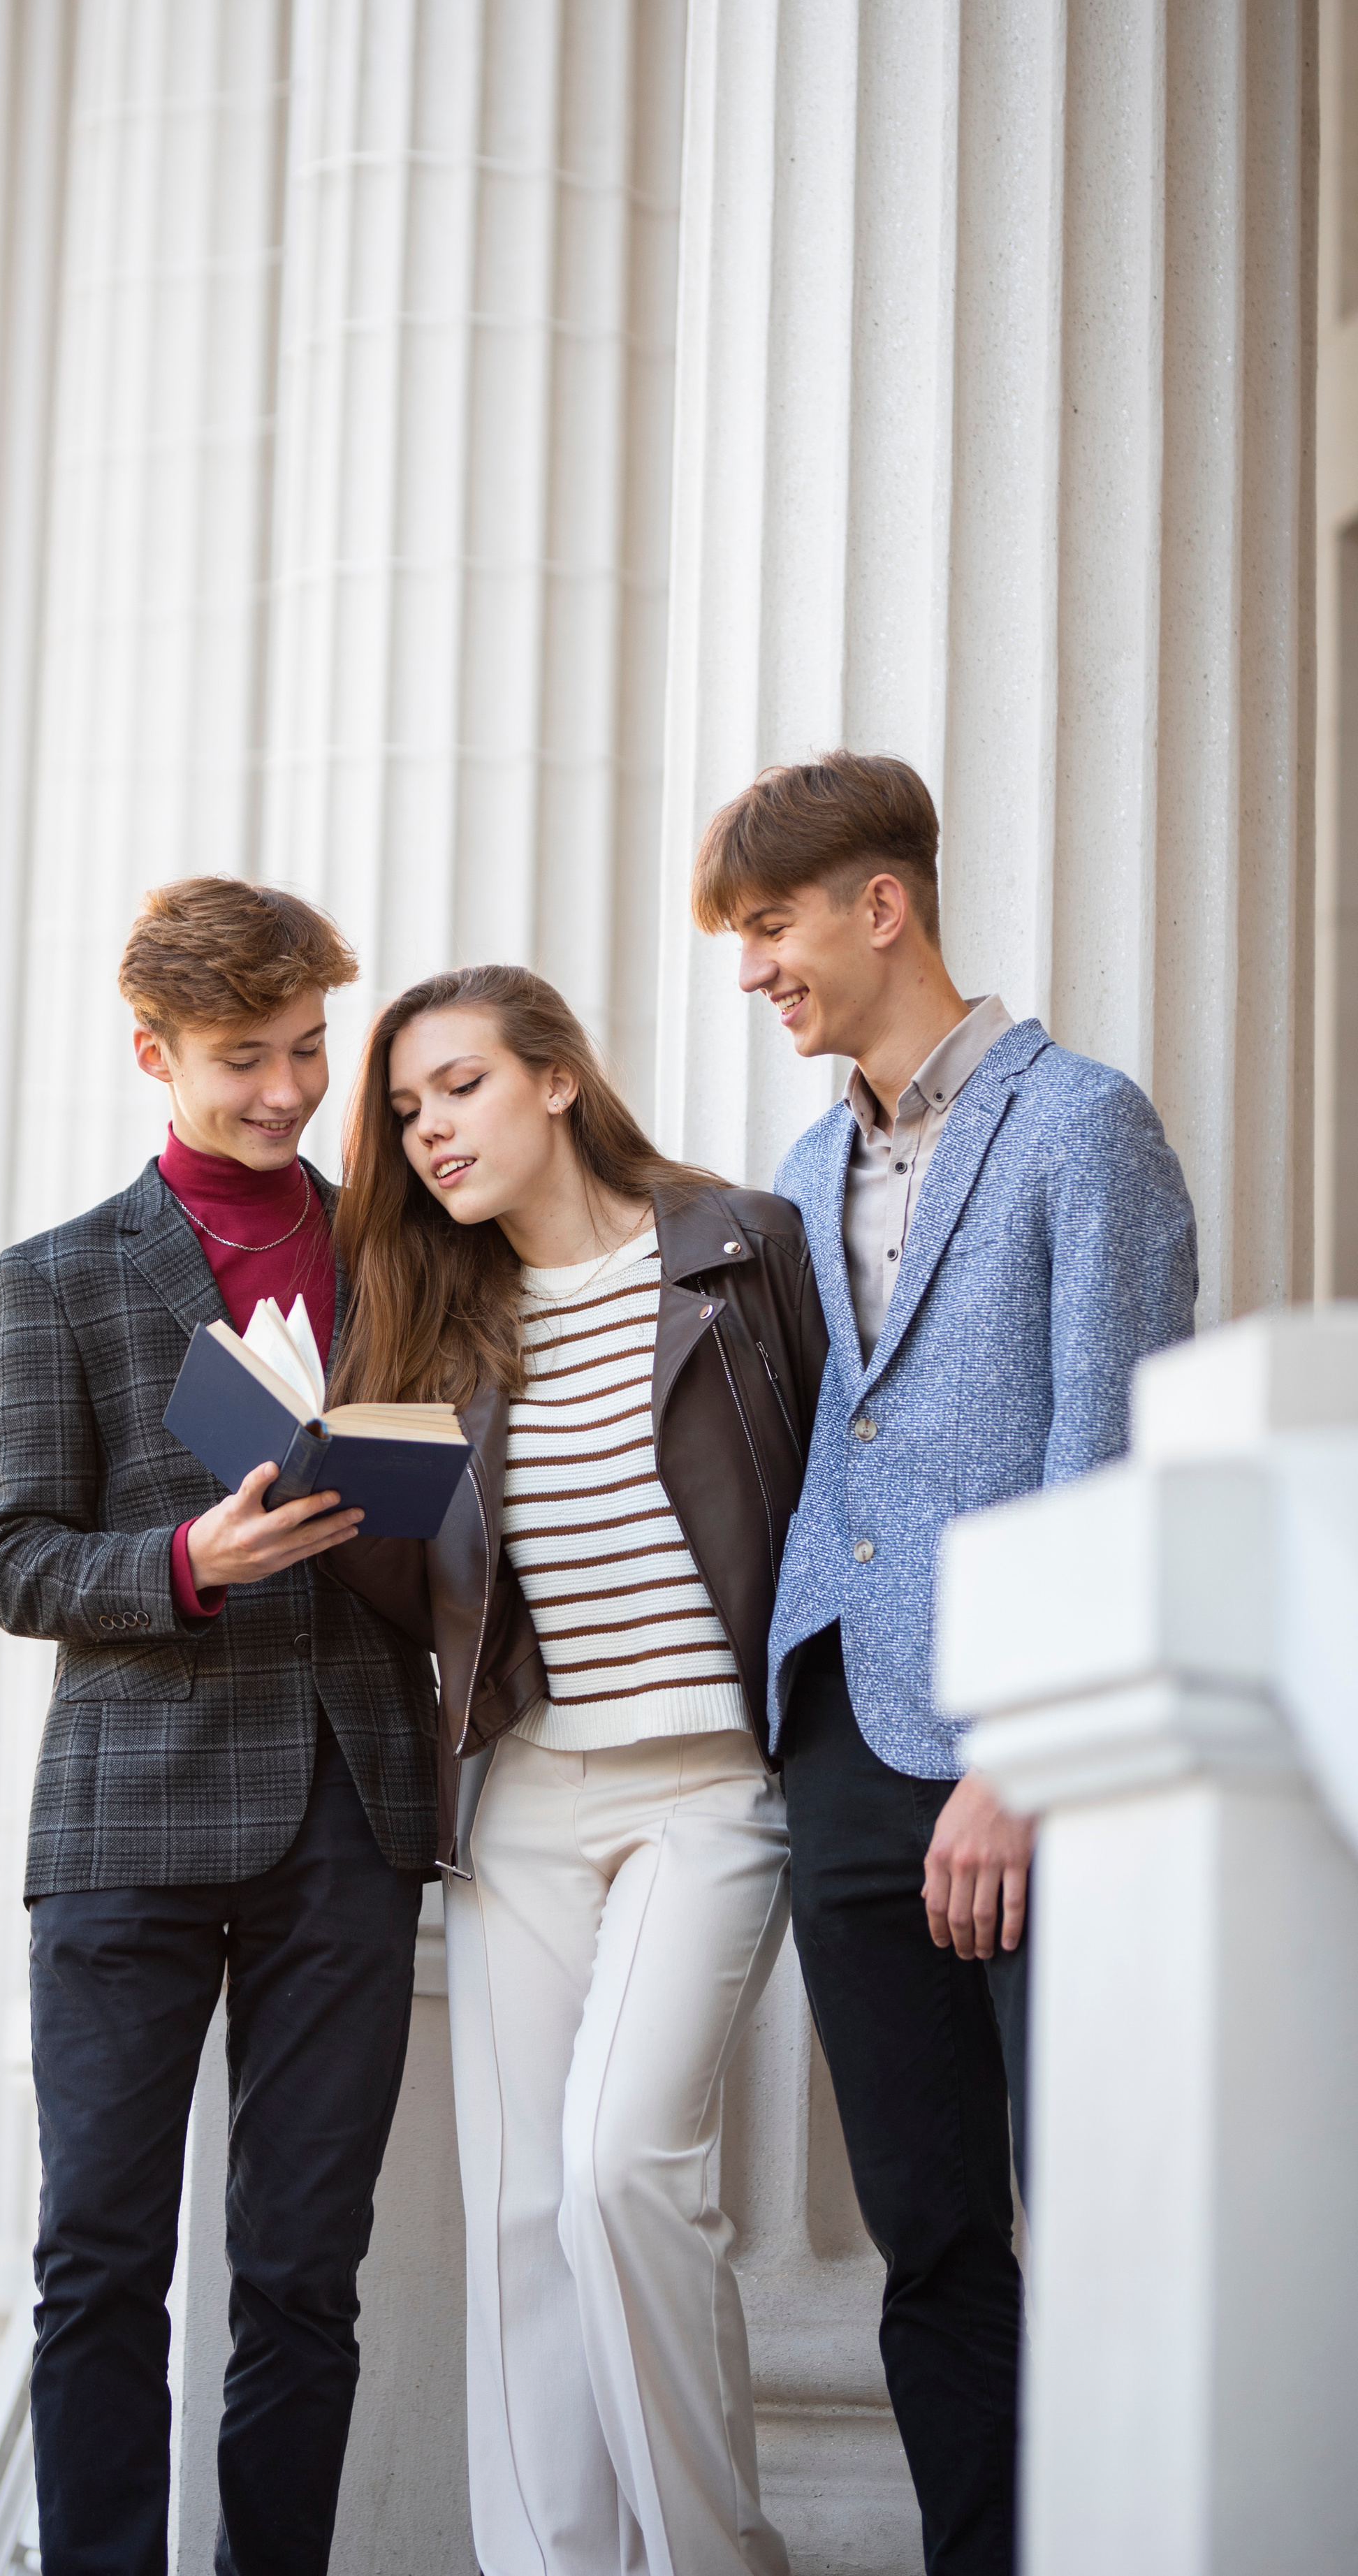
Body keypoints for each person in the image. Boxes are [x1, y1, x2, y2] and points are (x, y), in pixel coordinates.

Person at [691, 752, 1198, 2576]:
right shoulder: (804, 1164)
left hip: (1018, 1757)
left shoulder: (1085, 1127)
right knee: (925, 2231)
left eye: (770, 927)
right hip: (836, 1734)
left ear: (878, 903)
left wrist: (1025, 1756)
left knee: (1097, 2204)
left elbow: (1113, 1456)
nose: (752, 969)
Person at [324, 964, 827, 2576]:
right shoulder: (443, 1331)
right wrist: (326, 1500)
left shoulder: (740, 1249)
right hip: (527, 1795)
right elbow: (434, 1604)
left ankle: (712, 2557)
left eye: (457, 1087)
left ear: (554, 1077)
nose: (428, 1133)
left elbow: (829, 1482)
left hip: (711, 1783)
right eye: (405, 1112)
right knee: (524, 2223)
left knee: (620, 2170)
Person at [0, 877, 438, 2576]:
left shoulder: (401, 1243)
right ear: (154, 1054)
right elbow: (12, 1556)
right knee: (99, 2256)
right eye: (247, 1057)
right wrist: (185, 1558)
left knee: (304, 2271)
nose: (290, 1091)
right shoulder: (59, 1279)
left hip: (351, 1808)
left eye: (310, 1048)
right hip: (124, 1825)